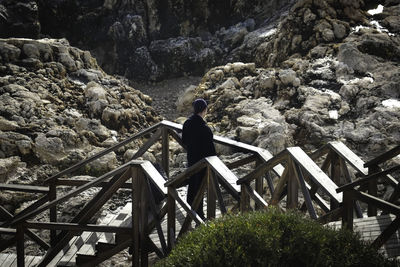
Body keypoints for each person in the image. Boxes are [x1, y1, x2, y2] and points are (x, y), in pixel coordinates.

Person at [182, 98, 216, 220]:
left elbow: (184, 141)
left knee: (192, 185)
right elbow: (211, 151)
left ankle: (189, 210)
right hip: (202, 163)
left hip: (191, 160)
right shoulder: (205, 129)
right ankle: (199, 215)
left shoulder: (187, 123)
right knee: (200, 188)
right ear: (204, 110)